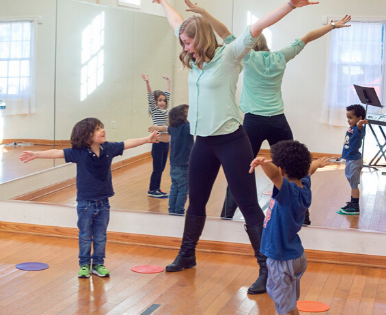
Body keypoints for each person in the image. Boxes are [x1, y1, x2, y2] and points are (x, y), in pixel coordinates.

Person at [154, 0, 318, 295]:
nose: (186, 47)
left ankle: (265, 268)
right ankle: (187, 254)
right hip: (202, 141)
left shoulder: (229, 55)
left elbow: (258, 26)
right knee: (197, 202)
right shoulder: (194, 57)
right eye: (183, 42)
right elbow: (175, 21)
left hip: (231, 140)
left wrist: (290, 5)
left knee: (248, 206)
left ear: (201, 39)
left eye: (189, 42)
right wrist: (164, 2)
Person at [185, 0, 352, 222]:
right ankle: (303, 215)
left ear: (250, 44)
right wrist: (332, 25)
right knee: (294, 167)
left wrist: (203, 11)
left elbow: (224, 32)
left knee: (241, 172)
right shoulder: (281, 56)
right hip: (278, 122)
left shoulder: (246, 56)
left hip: (253, 122)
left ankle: (227, 215)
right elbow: (308, 36)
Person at [20, 118, 160, 278]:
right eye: (97, 129)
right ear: (86, 136)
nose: (102, 130)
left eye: (102, 127)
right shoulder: (79, 153)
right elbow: (58, 153)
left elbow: (127, 143)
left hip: (104, 203)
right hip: (85, 204)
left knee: (101, 237)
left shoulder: (108, 148)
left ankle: (98, 264)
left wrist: (147, 140)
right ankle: (85, 265)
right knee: (85, 236)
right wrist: (36, 154)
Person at [250, 140, 329, 315]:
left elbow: (274, 177)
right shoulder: (303, 185)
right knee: (288, 305)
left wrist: (263, 164)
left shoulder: (288, 193)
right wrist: (317, 163)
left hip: (281, 259)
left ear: (281, 170)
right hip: (295, 255)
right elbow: (310, 170)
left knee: (284, 308)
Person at [149, 104, 193, 215]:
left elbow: (165, 128)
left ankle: (172, 210)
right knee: (183, 189)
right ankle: (178, 210)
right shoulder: (188, 127)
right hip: (184, 164)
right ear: (182, 116)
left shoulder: (173, 128)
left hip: (173, 163)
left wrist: (155, 127)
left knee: (174, 186)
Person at [142, 74, 171, 198]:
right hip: (158, 144)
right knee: (157, 168)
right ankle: (152, 190)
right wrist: (148, 83)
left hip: (166, 144)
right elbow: (150, 96)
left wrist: (168, 81)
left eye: (164, 101)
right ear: (155, 102)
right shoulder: (155, 110)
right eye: (160, 100)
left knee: (162, 168)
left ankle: (157, 188)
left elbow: (167, 94)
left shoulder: (165, 111)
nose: (162, 102)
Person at [338, 104, 367, 215]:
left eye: (351, 118)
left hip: (354, 161)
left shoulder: (359, 128)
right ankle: (352, 202)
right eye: (348, 118)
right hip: (350, 159)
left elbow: (359, 127)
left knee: (354, 185)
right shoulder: (352, 128)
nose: (348, 120)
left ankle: (355, 206)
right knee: (352, 183)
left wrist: (359, 124)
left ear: (359, 118)